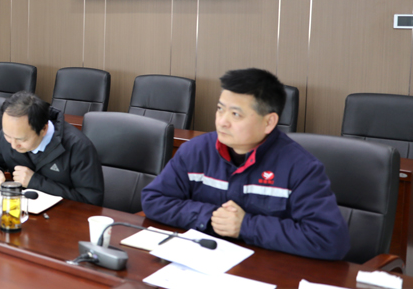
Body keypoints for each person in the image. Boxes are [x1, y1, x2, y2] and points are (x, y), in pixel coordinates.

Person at [141, 68, 350, 260]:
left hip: (268, 271)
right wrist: (210, 216)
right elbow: (154, 199)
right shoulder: (196, 151)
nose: (222, 121)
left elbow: (329, 239)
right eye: (220, 109)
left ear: (269, 122)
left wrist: (245, 225)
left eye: (235, 114)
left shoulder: (301, 168)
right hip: (203, 261)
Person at [0, 92, 103, 205]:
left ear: (43, 129)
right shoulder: (10, 135)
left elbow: (90, 200)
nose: (13, 145)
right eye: (7, 136)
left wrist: (35, 182)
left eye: (22, 140)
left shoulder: (78, 147)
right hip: (18, 212)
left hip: (62, 220)